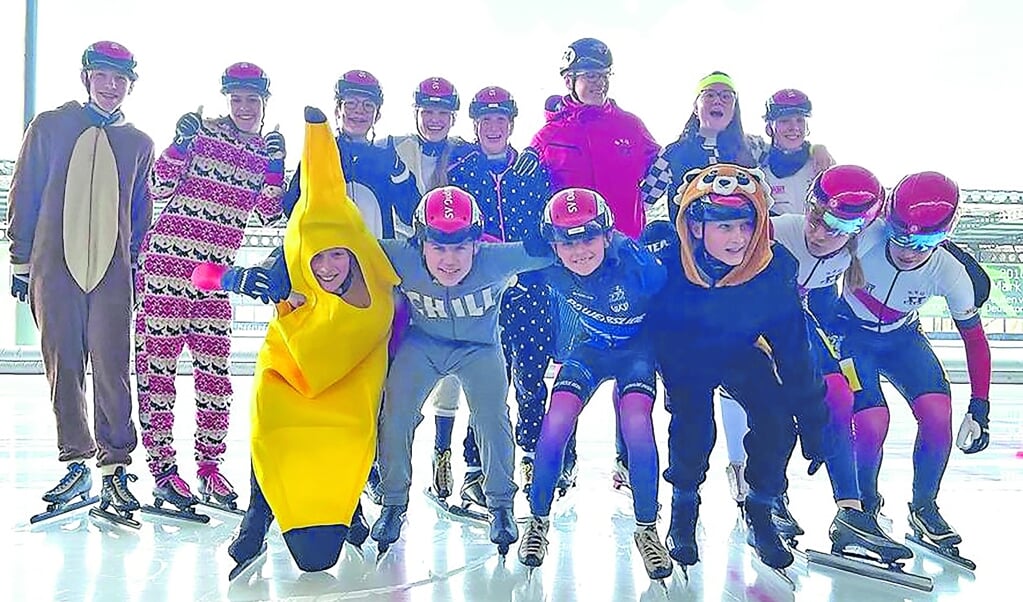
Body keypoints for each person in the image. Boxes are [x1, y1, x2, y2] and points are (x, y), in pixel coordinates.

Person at [643, 163, 898, 576]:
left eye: (746, 225)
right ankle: (684, 508)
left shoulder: (773, 268)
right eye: (724, 227)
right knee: (694, 426)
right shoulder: (665, 263)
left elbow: (795, 354)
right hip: (683, 354)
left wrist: (814, 424)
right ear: (694, 227)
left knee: (778, 423)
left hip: (741, 351)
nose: (738, 239)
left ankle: (760, 509)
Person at [209, 106, 399, 576]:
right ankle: (259, 514)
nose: (329, 266)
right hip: (288, 382)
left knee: (360, 427)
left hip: (346, 394)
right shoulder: (289, 259)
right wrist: (237, 277)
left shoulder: (375, 285)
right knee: (269, 421)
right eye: (318, 257)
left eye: (339, 254)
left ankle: (348, 501)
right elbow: (205, 273)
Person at [8, 41, 153, 525]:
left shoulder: (138, 143)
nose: (111, 86)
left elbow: (140, 212)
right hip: (54, 266)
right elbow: (24, 190)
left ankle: (115, 465)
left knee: (113, 366)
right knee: (64, 363)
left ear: (131, 84)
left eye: (120, 79)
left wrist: (132, 264)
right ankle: (76, 460)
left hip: (112, 274)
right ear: (86, 77)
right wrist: (20, 261)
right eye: (103, 76)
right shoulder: (49, 126)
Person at [133, 62, 285, 519]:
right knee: (157, 373)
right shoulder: (203, 134)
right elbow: (158, 183)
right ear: (226, 99)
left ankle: (209, 466)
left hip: (212, 277)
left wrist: (276, 165)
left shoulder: (263, 150)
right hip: (166, 266)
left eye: (251, 99)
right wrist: (179, 143)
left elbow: (267, 214)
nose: (243, 106)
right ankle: (162, 471)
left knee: (215, 378)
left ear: (263, 102)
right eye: (236, 98)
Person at [369, 185, 555, 556]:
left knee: (491, 417)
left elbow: (574, 249)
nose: (449, 260)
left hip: (480, 348)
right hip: (423, 344)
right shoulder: (397, 255)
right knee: (396, 414)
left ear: (477, 244)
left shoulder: (497, 259)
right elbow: (332, 246)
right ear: (419, 244)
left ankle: (500, 505)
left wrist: (563, 239)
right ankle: (393, 503)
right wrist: (278, 266)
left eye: (459, 247)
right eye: (438, 247)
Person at [826, 171, 991, 568]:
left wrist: (980, 407)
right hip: (852, 338)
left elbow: (974, 339)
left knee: (938, 414)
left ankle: (924, 507)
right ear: (886, 220)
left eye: (925, 242)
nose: (909, 251)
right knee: (871, 422)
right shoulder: (865, 236)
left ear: (946, 236)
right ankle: (861, 508)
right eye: (900, 236)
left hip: (903, 339)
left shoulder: (951, 271)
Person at [516, 188, 672, 583]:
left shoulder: (635, 264)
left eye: (587, 238)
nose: (579, 250)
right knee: (556, 421)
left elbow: (678, 288)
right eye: (567, 241)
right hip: (590, 349)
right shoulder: (548, 263)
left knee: (637, 423)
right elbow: (484, 256)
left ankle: (647, 528)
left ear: (607, 236)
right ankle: (538, 521)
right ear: (553, 245)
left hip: (637, 352)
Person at [767, 165, 915, 564]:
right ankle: (768, 497)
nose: (818, 235)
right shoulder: (778, 230)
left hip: (799, 323)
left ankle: (849, 513)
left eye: (834, 230)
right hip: (750, 326)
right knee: (774, 402)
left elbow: (918, 229)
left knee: (838, 394)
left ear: (858, 230)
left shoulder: (871, 237)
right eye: (816, 219)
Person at [445, 86, 553, 506]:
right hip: (483, 293)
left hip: (530, 290)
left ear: (511, 125)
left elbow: (545, 226)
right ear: (475, 125)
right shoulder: (462, 172)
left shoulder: (532, 168)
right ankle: (476, 465)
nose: (493, 127)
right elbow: (457, 231)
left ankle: (530, 455)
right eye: (486, 120)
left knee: (530, 377)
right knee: (486, 382)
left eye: (501, 120)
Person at [515, 37, 660, 240]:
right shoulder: (547, 137)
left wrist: (640, 208)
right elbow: (530, 197)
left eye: (605, 75)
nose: (600, 83)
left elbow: (662, 168)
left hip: (627, 247)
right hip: (576, 251)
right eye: (591, 76)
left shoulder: (631, 126)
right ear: (568, 81)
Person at [281, 69, 419, 239]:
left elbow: (411, 215)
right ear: (337, 111)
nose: (359, 111)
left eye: (368, 105)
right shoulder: (319, 154)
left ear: (377, 116)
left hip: (375, 258)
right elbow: (292, 209)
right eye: (350, 104)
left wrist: (400, 174)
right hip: (329, 258)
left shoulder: (384, 159)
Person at [759, 89, 835, 215]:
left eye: (800, 120)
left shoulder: (821, 163)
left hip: (816, 234)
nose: (794, 127)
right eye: (784, 121)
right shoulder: (759, 163)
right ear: (769, 128)